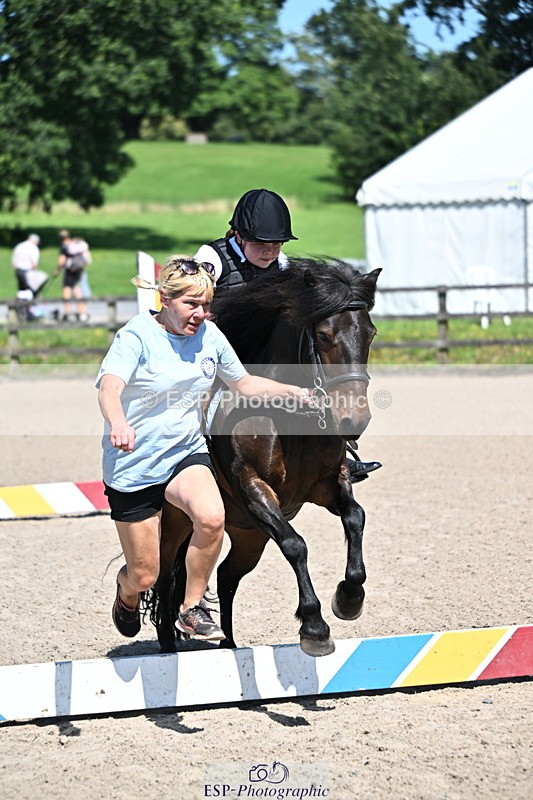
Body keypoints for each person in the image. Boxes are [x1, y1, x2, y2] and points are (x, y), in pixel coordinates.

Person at [97, 255, 312, 641]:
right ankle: (126, 594)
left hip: (184, 453)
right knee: (147, 573)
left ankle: (192, 608)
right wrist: (118, 422)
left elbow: (243, 384)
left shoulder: (210, 336)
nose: (201, 313)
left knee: (212, 518)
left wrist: (293, 391)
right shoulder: (137, 336)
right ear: (166, 299)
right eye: (191, 304)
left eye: (206, 305)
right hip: (135, 463)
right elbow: (109, 386)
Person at [195, 188, 381, 483]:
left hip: (258, 354)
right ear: (238, 235)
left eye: (277, 244)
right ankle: (187, 455)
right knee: (196, 397)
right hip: (212, 352)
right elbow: (191, 301)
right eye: (261, 244)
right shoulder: (211, 258)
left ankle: (339, 455)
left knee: (312, 382)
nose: (270, 251)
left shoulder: (281, 266)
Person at [54, 229, 91, 323]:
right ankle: (81, 312)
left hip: (70, 270)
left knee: (66, 290)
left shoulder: (65, 246)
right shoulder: (74, 243)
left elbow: (62, 260)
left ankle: (67, 313)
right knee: (77, 289)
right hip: (78, 269)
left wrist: (57, 270)